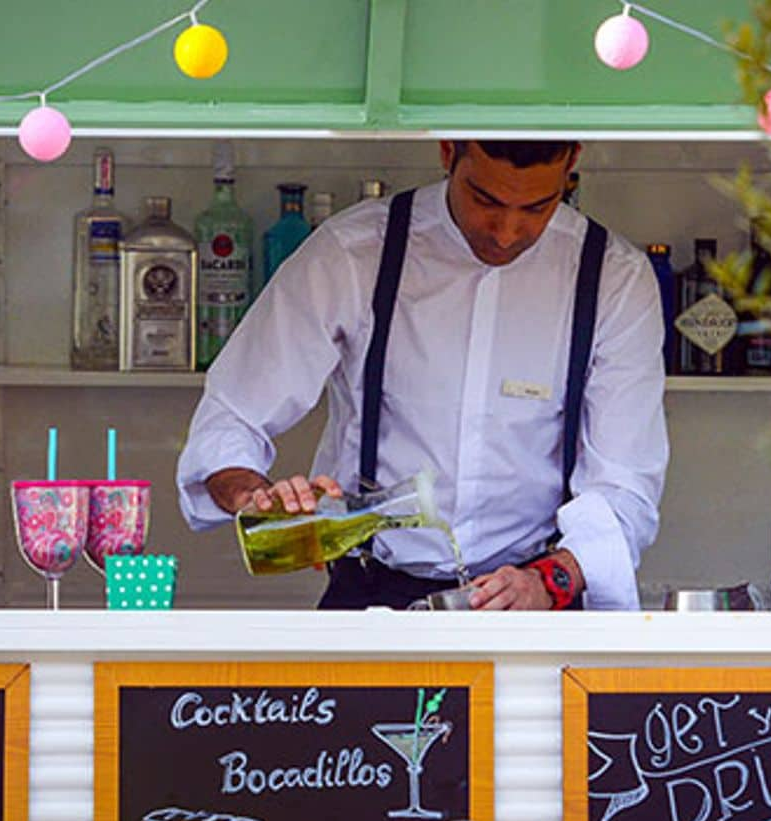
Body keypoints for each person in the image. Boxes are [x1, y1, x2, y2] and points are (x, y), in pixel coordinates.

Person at [175, 140, 667, 610]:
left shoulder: (613, 276)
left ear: (571, 166)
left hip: (535, 598)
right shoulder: (355, 251)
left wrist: (549, 579)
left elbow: (624, 487)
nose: (506, 231)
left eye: (537, 207)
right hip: (372, 597)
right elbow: (234, 411)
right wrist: (254, 494)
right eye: (486, 200)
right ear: (448, 152)